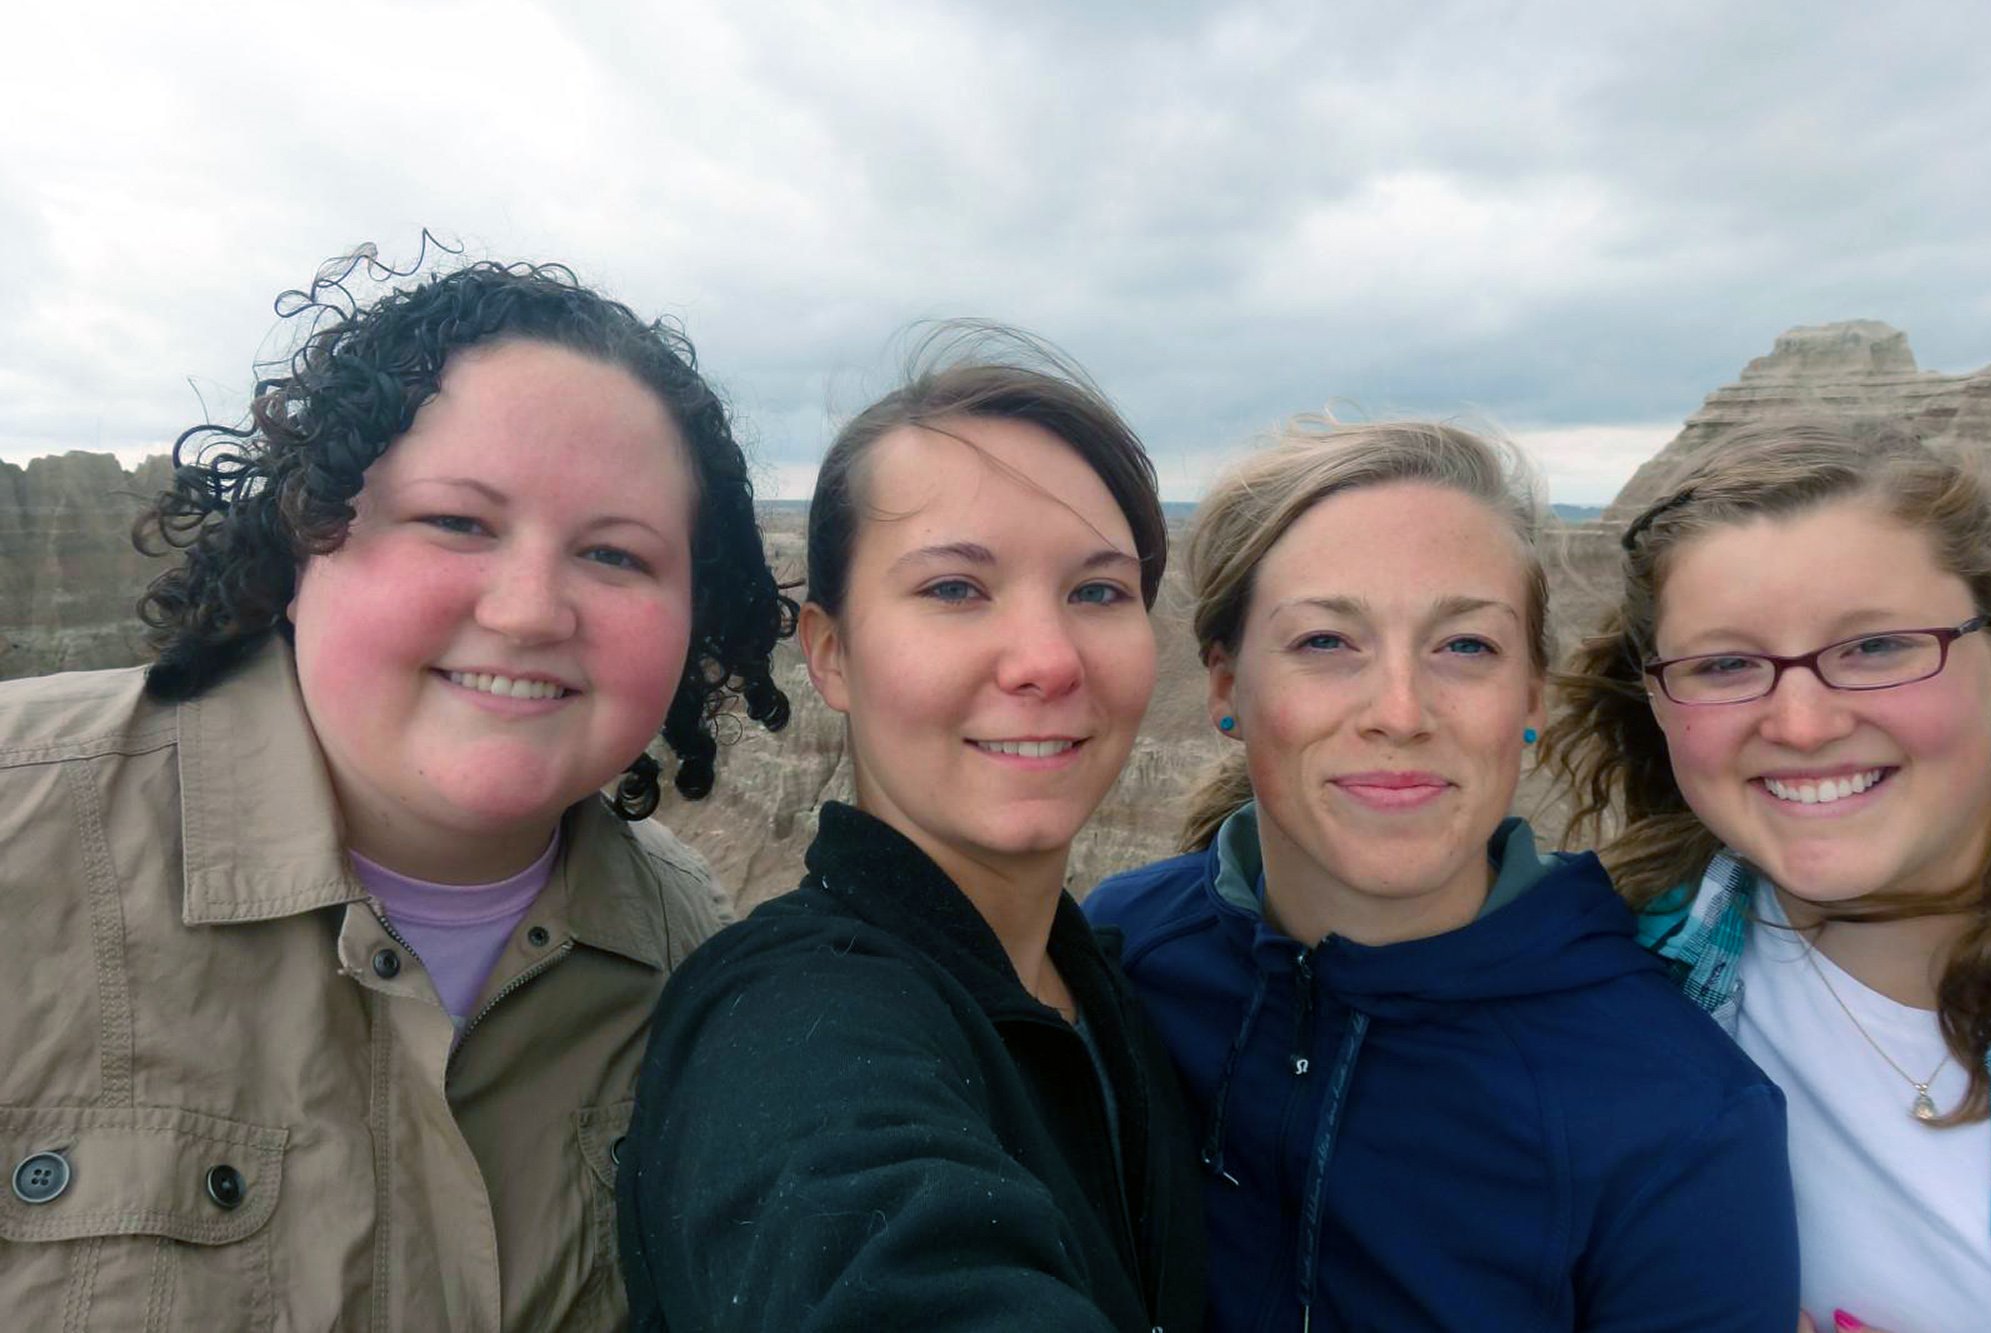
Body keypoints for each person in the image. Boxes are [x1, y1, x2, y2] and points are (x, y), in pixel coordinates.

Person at [0, 254, 793, 1329]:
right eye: (457, 523)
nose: (527, 611)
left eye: (614, 553)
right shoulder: (22, 828)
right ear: (300, 539)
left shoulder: (692, 961)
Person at [1086, 419, 1798, 1331]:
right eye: (1325, 642)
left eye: (1464, 646)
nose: (1400, 710)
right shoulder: (1125, 956)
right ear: (1225, 688)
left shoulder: (1678, 1116)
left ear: (1531, 697)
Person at [617, 328, 1206, 1332]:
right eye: (953, 588)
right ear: (832, 655)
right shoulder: (792, 1027)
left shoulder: (1097, 986)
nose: (1046, 660)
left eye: (1097, 590)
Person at [1543, 419, 1991, 1333]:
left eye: (1876, 647)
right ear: (1658, 699)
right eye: (1726, 665)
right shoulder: (1597, 972)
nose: (1801, 723)